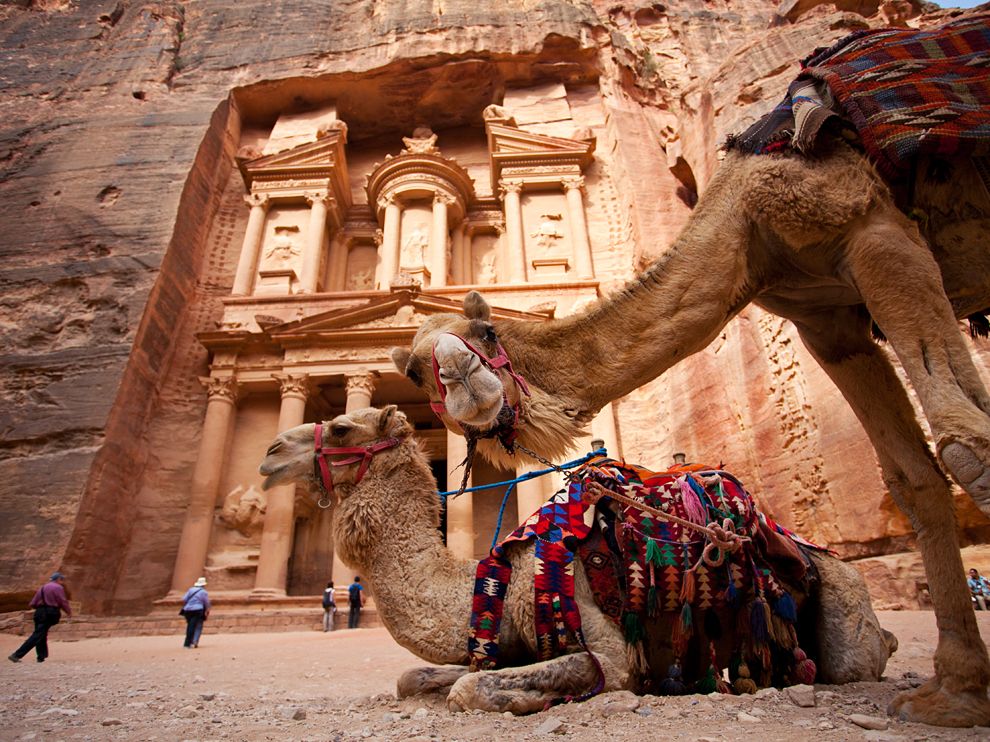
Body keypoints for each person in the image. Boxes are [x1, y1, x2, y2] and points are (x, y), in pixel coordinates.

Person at [9, 571, 72, 663]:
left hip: (39, 612)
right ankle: (16, 655)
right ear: (58, 579)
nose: (62, 582)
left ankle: (41, 657)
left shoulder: (42, 587)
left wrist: (40, 608)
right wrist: (68, 612)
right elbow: (62, 601)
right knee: (38, 634)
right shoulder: (58, 588)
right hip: (50, 612)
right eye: (61, 580)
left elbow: (33, 603)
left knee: (41, 634)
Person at [181, 577, 211, 648]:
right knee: (198, 625)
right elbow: (206, 602)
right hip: (198, 609)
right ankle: (194, 641)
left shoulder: (191, 590)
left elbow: (184, 599)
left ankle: (188, 642)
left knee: (190, 626)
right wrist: (207, 610)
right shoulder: (203, 592)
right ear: (204, 585)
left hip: (187, 610)